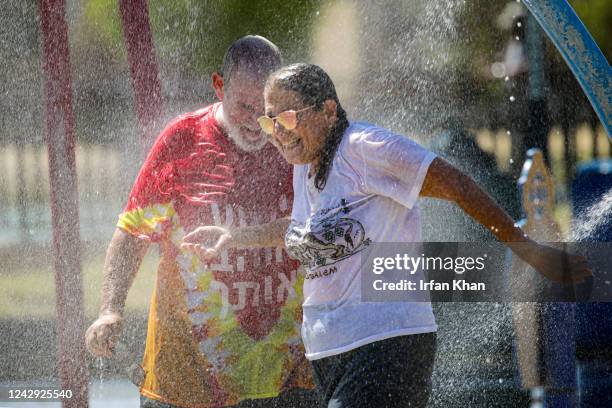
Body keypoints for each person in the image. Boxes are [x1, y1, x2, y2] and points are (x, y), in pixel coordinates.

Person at [182, 63, 591, 408]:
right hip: (331, 355)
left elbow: (456, 185)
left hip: (385, 344)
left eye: (287, 117)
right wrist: (234, 237)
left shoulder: (365, 148)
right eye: (269, 120)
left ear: (327, 110)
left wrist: (527, 250)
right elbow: (304, 232)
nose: (277, 131)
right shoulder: (305, 165)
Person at [85, 38, 317, 408]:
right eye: (245, 106)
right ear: (219, 86)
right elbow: (133, 232)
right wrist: (110, 309)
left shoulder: (298, 143)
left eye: (268, 109)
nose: (258, 123)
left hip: (289, 379)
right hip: (186, 380)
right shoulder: (183, 141)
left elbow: (328, 226)